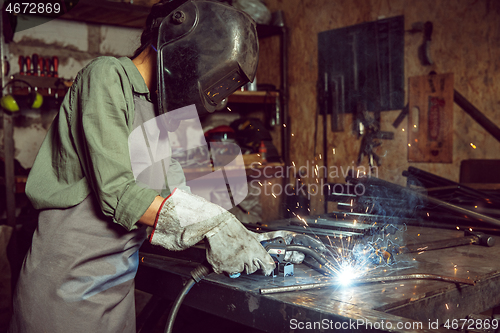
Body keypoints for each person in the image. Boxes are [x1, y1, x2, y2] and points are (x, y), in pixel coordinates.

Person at [8, 1, 275, 332]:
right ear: (187, 46)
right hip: (64, 292)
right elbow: (118, 193)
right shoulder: (106, 76)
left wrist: (237, 233)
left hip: (117, 294)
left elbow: (183, 194)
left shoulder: (172, 111)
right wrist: (212, 226)